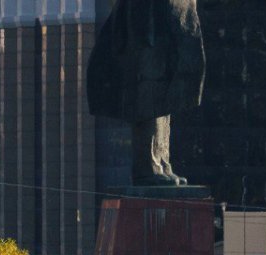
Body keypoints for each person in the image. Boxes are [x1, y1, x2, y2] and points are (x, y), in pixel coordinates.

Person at [87, 0, 205, 186]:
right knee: (149, 102)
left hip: (163, 33)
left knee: (165, 102)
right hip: (147, 37)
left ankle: (162, 161)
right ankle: (148, 167)